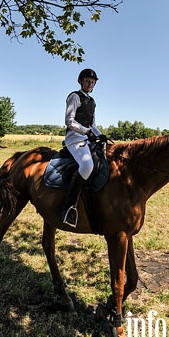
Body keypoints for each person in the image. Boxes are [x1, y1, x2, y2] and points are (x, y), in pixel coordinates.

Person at [61, 68, 107, 227]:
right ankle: (68, 208)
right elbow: (70, 121)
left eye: (92, 82)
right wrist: (87, 132)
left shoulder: (92, 102)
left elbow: (93, 125)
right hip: (74, 137)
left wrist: (100, 135)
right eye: (87, 81)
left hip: (87, 137)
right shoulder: (74, 96)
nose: (90, 83)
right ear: (81, 81)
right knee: (87, 165)